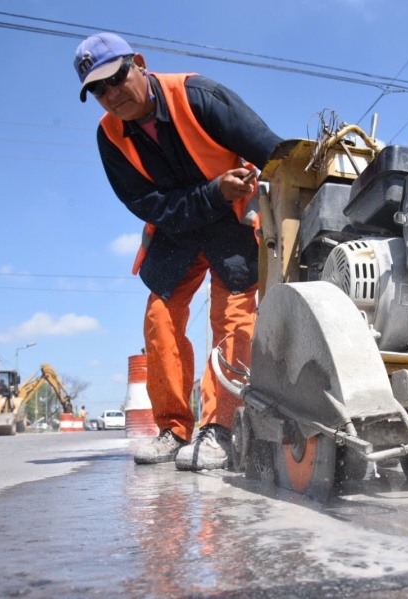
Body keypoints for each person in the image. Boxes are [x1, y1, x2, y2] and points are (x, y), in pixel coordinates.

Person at [74, 32, 282, 470]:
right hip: (177, 229)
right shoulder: (109, 137)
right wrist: (211, 194)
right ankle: (173, 428)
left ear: (140, 64)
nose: (111, 94)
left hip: (233, 225)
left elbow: (272, 153)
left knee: (233, 322)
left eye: (116, 78)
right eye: (98, 89)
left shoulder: (198, 96)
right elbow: (147, 205)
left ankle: (219, 429)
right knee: (159, 322)